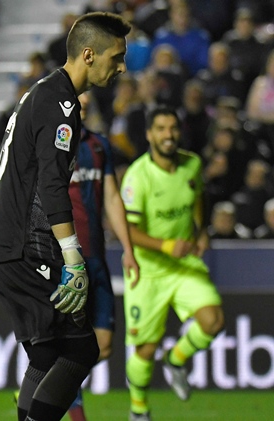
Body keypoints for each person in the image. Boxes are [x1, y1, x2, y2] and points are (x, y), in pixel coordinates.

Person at [0, 12, 131, 421]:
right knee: (81, 349)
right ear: (89, 55)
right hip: (27, 246)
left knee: (45, 353)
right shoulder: (61, 105)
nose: (122, 66)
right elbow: (52, 186)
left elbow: (4, 172)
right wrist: (73, 258)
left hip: (4, 246)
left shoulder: (36, 95)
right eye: (117, 56)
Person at [120, 106, 225, 421]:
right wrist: (166, 245)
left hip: (183, 266)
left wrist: (202, 230)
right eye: (161, 129)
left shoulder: (191, 165)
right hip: (148, 271)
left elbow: (198, 199)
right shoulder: (137, 177)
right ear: (150, 135)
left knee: (213, 321)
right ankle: (139, 411)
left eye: (172, 129)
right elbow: (128, 230)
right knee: (145, 351)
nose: (168, 135)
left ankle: (176, 360)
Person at [66, 93, 139, 420]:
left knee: (104, 346)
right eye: (74, 103)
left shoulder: (98, 146)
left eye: (84, 104)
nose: (80, 109)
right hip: (64, 262)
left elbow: (111, 197)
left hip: (97, 258)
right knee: (74, 343)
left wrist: (128, 247)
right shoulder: (48, 148)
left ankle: (43, 381)